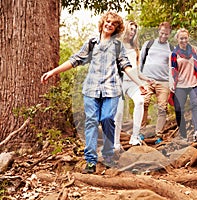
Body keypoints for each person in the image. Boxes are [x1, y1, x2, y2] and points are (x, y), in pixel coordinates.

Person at [41, 11, 146, 174]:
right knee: (91, 122)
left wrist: (139, 83)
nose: (110, 25)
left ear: (117, 28)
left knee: (107, 119)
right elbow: (74, 60)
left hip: (111, 90)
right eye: (108, 21)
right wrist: (53, 72)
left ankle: (109, 153)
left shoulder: (118, 46)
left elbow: (126, 66)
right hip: (91, 90)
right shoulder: (92, 42)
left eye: (114, 24)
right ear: (103, 22)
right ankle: (90, 161)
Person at [139, 22, 173, 138]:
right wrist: (140, 78)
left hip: (163, 82)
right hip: (147, 80)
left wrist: (172, 82)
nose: (164, 36)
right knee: (143, 103)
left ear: (169, 34)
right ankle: (140, 132)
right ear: (159, 31)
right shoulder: (149, 44)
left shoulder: (171, 48)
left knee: (162, 108)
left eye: (166, 34)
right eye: (162, 33)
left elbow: (172, 67)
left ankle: (159, 135)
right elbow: (141, 61)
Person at [114, 20, 145, 149]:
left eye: (134, 30)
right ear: (126, 29)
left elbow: (137, 70)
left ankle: (135, 136)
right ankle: (116, 143)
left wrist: (145, 80)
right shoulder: (117, 45)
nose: (132, 32)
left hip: (133, 83)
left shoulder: (136, 49)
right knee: (119, 112)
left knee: (140, 102)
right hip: (119, 82)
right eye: (131, 29)